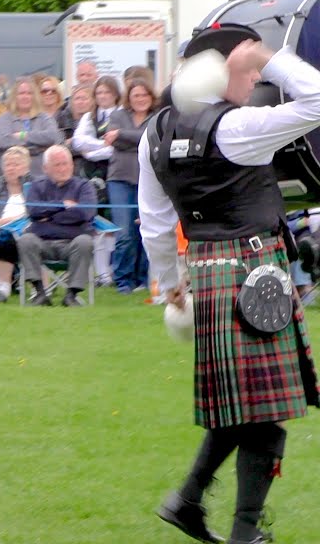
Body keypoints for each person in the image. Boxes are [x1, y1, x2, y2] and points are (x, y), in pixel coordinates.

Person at [142, 35, 320, 544]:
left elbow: (154, 220)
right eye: (249, 70)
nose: (256, 80)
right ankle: (245, 533)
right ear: (223, 71)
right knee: (264, 414)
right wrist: (271, 57)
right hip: (255, 272)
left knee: (242, 407)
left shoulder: (155, 131)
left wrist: (170, 283)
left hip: (208, 275)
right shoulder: (237, 128)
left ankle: (188, 501)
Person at [17, 145, 96, 307]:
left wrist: (48, 216)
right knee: (25, 240)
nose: (62, 169)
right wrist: (62, 205)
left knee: (85, 242)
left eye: (65, 164)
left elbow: (85, 214)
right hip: (43, 243)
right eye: (57, 165)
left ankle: (71, 295)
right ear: (46, 168)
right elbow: (33, 211)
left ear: (72, 165)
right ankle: (40, 293)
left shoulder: (84, 187)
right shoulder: (37, 186)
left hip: (72, 243)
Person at [104, 78, 155, 294]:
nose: (140, 99)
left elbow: (154, 139)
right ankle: (123, 280)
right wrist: (133, 140)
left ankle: (143, 279)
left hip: (149, 180)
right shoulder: (118, 115)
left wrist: (122, 135)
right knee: (124, 232)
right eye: (136, 95)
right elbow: (112, 140)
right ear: (129, 98)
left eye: (144, 95)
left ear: (151, 97)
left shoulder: (157, 116)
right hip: (120, 179)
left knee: (145, 230)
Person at [71, 76, 121, 285]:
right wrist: (101, 145)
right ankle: (102, 273)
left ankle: (112, 269)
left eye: (107, 92)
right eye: (99, 92)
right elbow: (78, 141)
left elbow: (115, 149)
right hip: (91, 174)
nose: (103, 96)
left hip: (115, 171)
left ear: (115, 94)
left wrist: (92, 151)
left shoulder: (121, 114)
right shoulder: (89, 117)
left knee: (113, 220)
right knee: (95, 220)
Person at [0, 147, 33, 300]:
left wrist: (2, 222)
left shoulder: (35, 187)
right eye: (8, 165)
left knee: (31, 237)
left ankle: (38, 286)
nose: (11, 168)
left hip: (27, 232)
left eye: (16, 164)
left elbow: (35, 215)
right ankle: (4, 286)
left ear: (26, 167)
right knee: (3, 236)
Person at [0, 76, 61, 166]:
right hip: (12, 170)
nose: (25, 97)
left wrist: (23, 135)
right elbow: (3, 141)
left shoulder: (44, 117)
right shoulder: (5, 118)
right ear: (14, 96)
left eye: (29, 93)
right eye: (21, 93)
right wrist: (38, 146)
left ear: (34, 96)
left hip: (40, 170)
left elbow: (52, 136)